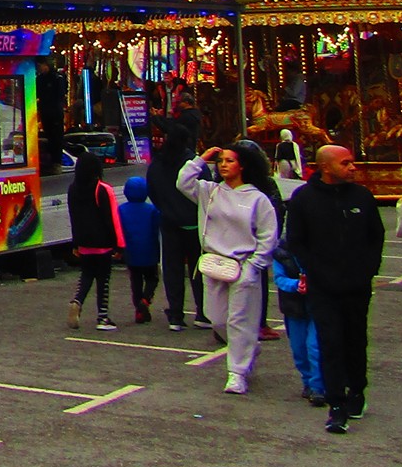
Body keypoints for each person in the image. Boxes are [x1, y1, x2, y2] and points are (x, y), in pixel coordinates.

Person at [284, 144, 387, 433]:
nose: (353, 168)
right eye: (346, 163)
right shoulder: (304, 199)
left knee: (355, 339)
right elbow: (296, 241)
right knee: (330, 342)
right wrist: (315, 270)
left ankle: (357, 391)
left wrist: (368, 269)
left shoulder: (362, 197)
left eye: (352, 162)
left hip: (356, 285)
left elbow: (375, 236)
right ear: (325, 167)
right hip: (323, 287)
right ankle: (336, 405)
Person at [177, 140, 282, 394]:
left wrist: (254, 265)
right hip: (214, 264)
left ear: (243, 165)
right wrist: (202, 158)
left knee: (239, 320)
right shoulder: (210, 191)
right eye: (221, 160)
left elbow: (269, 235)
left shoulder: (257, 199)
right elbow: (182, 182)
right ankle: (247, 346)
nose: (224, 165)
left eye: (230, 160)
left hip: (244, 266)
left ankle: (237, 373)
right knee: (217, 320)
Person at [148, 96, 209, 331]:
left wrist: (164, 207)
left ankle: (175, 314)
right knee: (198, 268)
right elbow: (206, 190)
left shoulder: (158, 163)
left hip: (169, 221)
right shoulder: (193, 163)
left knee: (172, 268)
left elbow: (152, 189)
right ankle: (203, 312)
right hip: (194, 222)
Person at [65, 153, 124, 331]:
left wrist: (75, 244)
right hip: (103, 243)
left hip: (84, 243)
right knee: (103, 280)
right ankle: (103, 317)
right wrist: (119, 244)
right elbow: (112, 219)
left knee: (87, 276)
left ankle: (77, 300)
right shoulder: (103, 189)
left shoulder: (73, 189)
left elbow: (73, 218)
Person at [270, 240, 325, 407]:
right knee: (299, 348)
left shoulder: (323, 245)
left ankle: (318, 387)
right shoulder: (281, 252)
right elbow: (279, 278)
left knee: (315, 346)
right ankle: (308, 382)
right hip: (293, 306)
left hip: (318, 304)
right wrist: (295, 285)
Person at [117, 175, 162, 325]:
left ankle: (138, 308)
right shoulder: (152, 210)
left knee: (135, 280)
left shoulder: (121, 210)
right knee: (152, 278)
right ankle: (146, 299)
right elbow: (157, 230)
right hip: (149, 250)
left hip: (131, 252)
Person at [36, 56, 68, 173]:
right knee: (49, 136)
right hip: (45, 111)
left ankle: (57, 162)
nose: (39, 69)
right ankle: (51, 161)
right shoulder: (40, 79)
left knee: (56, 137)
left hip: (55, 111)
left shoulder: (57, 78)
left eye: (41, 66)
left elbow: (60, 95)